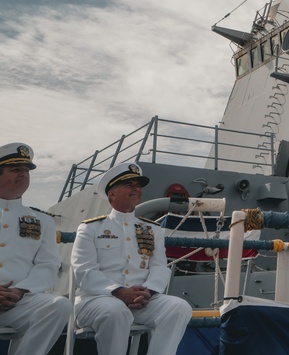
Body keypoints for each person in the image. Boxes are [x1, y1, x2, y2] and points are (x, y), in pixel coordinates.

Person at [72, 162, 190, 355]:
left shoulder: (152, 229)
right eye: (129, 185)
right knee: (116, 311)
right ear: (112, 193)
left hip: (141, 301)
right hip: (97, 300)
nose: (136, 189)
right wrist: (118, 292)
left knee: (179, 307)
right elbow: (84, 271)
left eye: (138, 185)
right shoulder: (91, 228)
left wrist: (149, 292)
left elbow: (160, 267)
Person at [0, 143, 72, 355]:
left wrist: (19, 291)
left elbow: (48, 264)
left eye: (26, 170)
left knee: (59, 306)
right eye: (16, 169)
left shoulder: (42, 221)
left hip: (17, 301)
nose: (23, 174)